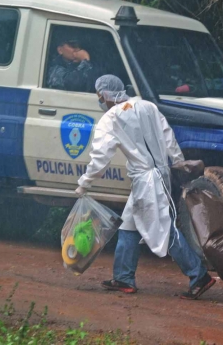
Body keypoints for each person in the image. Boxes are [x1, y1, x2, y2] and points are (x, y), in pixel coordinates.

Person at [74, 75, 215, 298]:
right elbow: (167, 135)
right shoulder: (147, 106)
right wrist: (177, 161)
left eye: (100, 96)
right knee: (128, 226)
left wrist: (84, 183)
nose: (100, 100)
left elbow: (100, 158)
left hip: (146, 180)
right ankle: (123, 278)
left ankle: (199, 275)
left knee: (163, 230)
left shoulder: (110, 119)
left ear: (105, 95)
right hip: (159, 174)